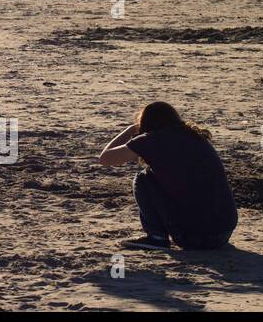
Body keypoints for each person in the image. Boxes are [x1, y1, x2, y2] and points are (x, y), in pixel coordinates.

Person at [99, 101, 237, 251]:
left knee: (144, 178)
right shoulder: (194, 136)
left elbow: (105, 158)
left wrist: (131, 129)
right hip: (224, 231)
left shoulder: (152, 139)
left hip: (196, 237)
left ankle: (157, 237)